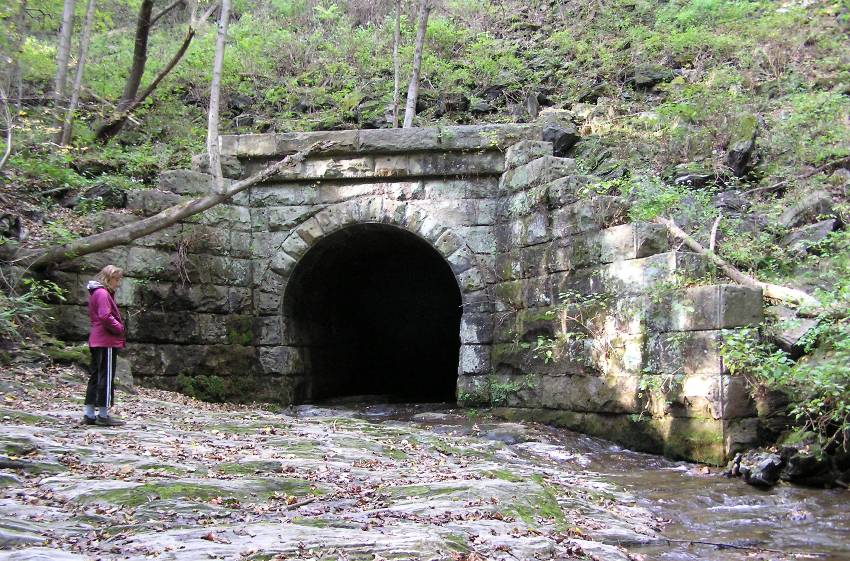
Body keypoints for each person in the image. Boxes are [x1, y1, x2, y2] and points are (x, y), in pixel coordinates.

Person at [83, 265, 126, 427]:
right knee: (105, 377)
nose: (118, 283)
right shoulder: (102, 293)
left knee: (96, 376)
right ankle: (102, 414)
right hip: (105, 340)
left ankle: (89, 413)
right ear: (108, 278)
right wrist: (120, 328)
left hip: (97, 339)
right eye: (116, 279)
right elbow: (105, 316)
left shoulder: (98, 292)